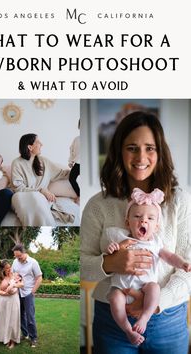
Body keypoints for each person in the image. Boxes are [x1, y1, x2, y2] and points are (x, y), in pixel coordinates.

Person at [80, 111, 191, 354]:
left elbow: (188, 268)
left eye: (150, 148)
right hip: (111, 321)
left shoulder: (179, 202)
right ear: (119, 151)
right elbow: (80, 264)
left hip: (168, 319)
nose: (141, 156)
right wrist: (109, 263)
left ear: (160, 153)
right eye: (132, 147)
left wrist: (157, 302)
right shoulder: (98, 205)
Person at [105, 187, 191, 346]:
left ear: (157, 227)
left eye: (150, 218)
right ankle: (127, 330)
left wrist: (183, 263)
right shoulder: (121, 238)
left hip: (145, 287)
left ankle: (145, 317)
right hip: (121, 289)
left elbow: (170, 257)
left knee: (154, 288)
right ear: (127, 222)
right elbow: (112, 252)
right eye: (137, 216)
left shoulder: (155, 243)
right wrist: (112, 249)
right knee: (114, 298)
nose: (143, 221)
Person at [11, 133, 73, 226]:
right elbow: (18, 188)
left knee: (37, 198)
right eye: (38, 142)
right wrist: (41, 190)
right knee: (35, 197)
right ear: (30, 147)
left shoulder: (44, 162)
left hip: (41, 198)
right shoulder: (17, 163)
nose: (41, 144)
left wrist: (76, 169)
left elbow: (62, 174)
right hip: (21, 196)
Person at [12, 244, 42, 348]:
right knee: (20, 315)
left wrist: (32, 292)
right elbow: (13, 274)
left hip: (28, 293)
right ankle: (25, 334)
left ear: (24, 252)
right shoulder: (15, 262)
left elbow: (39, 278)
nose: (17, 258)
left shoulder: (33, 263)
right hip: (17, 293)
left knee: (30, 317)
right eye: (16, 256)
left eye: (19, 256)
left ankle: (33, 338)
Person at [0, 259, 24, 349]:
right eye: (7, 268)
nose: (9, 269)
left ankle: (13, 340)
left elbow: (22, 284)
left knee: (13, 320)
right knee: (4, 320)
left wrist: (13, 286)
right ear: (2, 269)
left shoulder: (14, 275)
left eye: (10, 267)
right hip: (3, 301)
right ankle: (6, 338)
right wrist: (6, 293)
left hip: (14, 300)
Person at [68, 119, 80, 204]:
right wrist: (71, 161)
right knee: (72, 178)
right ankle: (79, 195)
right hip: (78, 163)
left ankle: (81, 196)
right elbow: (72, 150)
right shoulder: (77, 139)